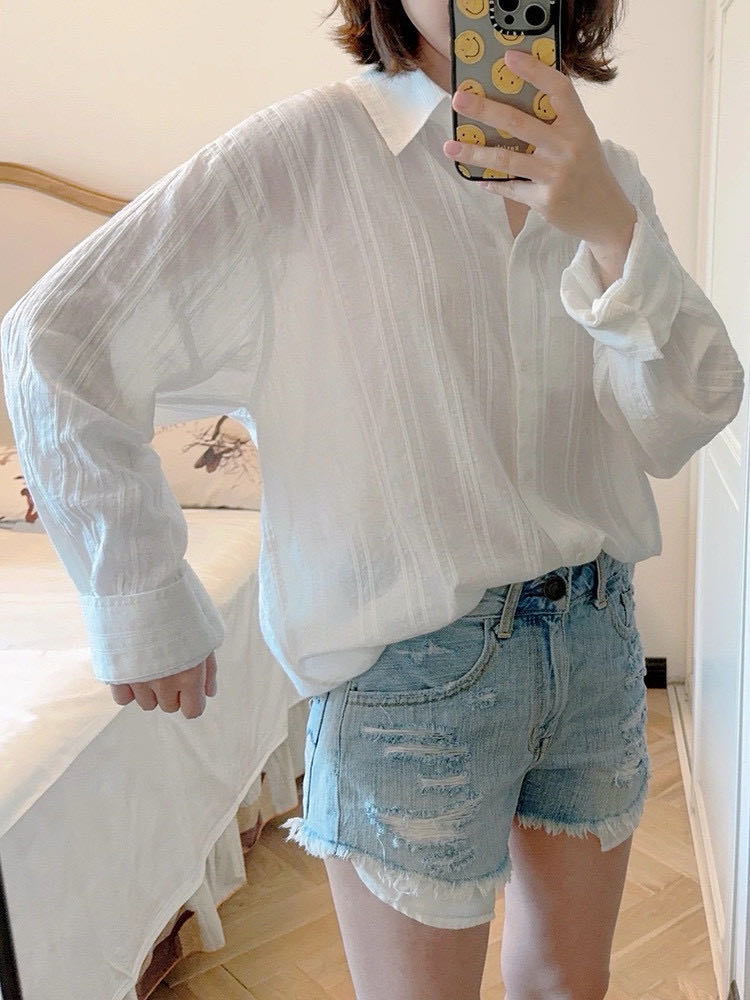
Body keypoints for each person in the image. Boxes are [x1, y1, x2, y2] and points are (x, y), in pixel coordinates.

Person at [1, 0, 744, 997]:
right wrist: (140, 593)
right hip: (409, 671)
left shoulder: (609, 175)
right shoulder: (304, 155)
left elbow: (683, 417)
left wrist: (611, 225)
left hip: (596, 634)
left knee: (572, 985)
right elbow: (56, 337)